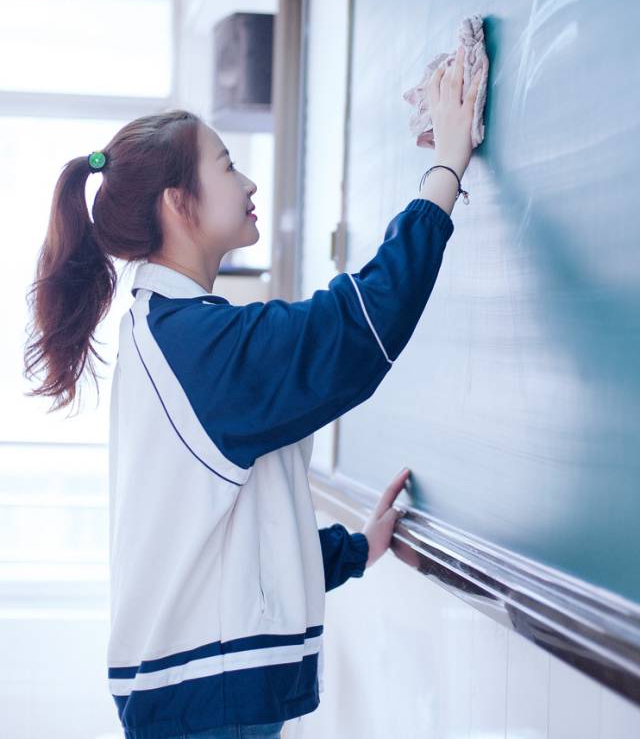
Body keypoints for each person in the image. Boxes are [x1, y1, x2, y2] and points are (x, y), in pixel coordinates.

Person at [23, 45, 483, 739]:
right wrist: (445, 167)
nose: (249, 183)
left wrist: (357, 549)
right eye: (227, 165)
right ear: (180, 204)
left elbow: (227, 540)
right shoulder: (198, 346)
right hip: (204, 711)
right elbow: (357, 326)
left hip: (197, 703)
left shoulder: (172, 333)